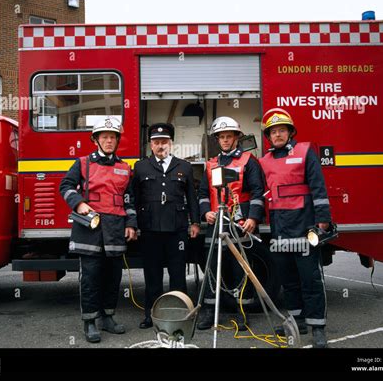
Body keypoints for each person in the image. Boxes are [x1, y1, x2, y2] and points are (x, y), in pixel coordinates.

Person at [59, 116, 137, 343]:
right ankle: (90, 322)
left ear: (117, 140)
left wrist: (131, 224)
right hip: (89, 229)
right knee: (90, 277)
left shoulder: (124, 167)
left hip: (115, 230)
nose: (109, 141)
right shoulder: (83, 163)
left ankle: (108, 317)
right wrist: (78, 203)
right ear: (96, 140)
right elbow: (65, 185)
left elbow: (129, 199)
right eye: (104, 137)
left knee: (113, 276)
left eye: (113, 137)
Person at [258, 108, 331, 348]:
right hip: (280, 229)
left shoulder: (305, 151)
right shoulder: (264, 161)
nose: (277, 135)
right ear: (269, 136)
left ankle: (318, 327)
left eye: (281, 130)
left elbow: (318, 188)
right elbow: (259, 192)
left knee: (310, 279)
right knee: (288, 280)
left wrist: (323, 220)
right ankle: (297, 321)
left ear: (290, 132)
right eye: (273, 132)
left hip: (306, 227)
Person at [197, 117, 264, 331]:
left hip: (239, 223)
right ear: (217, 140)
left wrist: (253, 217)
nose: (225, 140)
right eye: (221, 137)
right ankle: (209, 312)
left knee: (240, 269)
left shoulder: (248, 160)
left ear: (236, 137)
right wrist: (205, 211)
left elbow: (257, 192)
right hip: (215, 224)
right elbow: (203, 193)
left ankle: (241, 313)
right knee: (212, 270)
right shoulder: (211, 163)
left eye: (229, 136)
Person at [132, 123, 200, 329]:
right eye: (156, 142)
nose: (160, 145)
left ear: (171, 143)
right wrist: (133, 224)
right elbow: (134, 199)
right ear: (151, 145)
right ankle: (150, 315)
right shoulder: (140, 167)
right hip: (150, 229)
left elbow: (192, 198)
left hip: (177, 230)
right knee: (152, 276)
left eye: (164, 142)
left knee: (177, 275)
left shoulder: (184, 167)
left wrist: (195, 222)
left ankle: (179, 315)